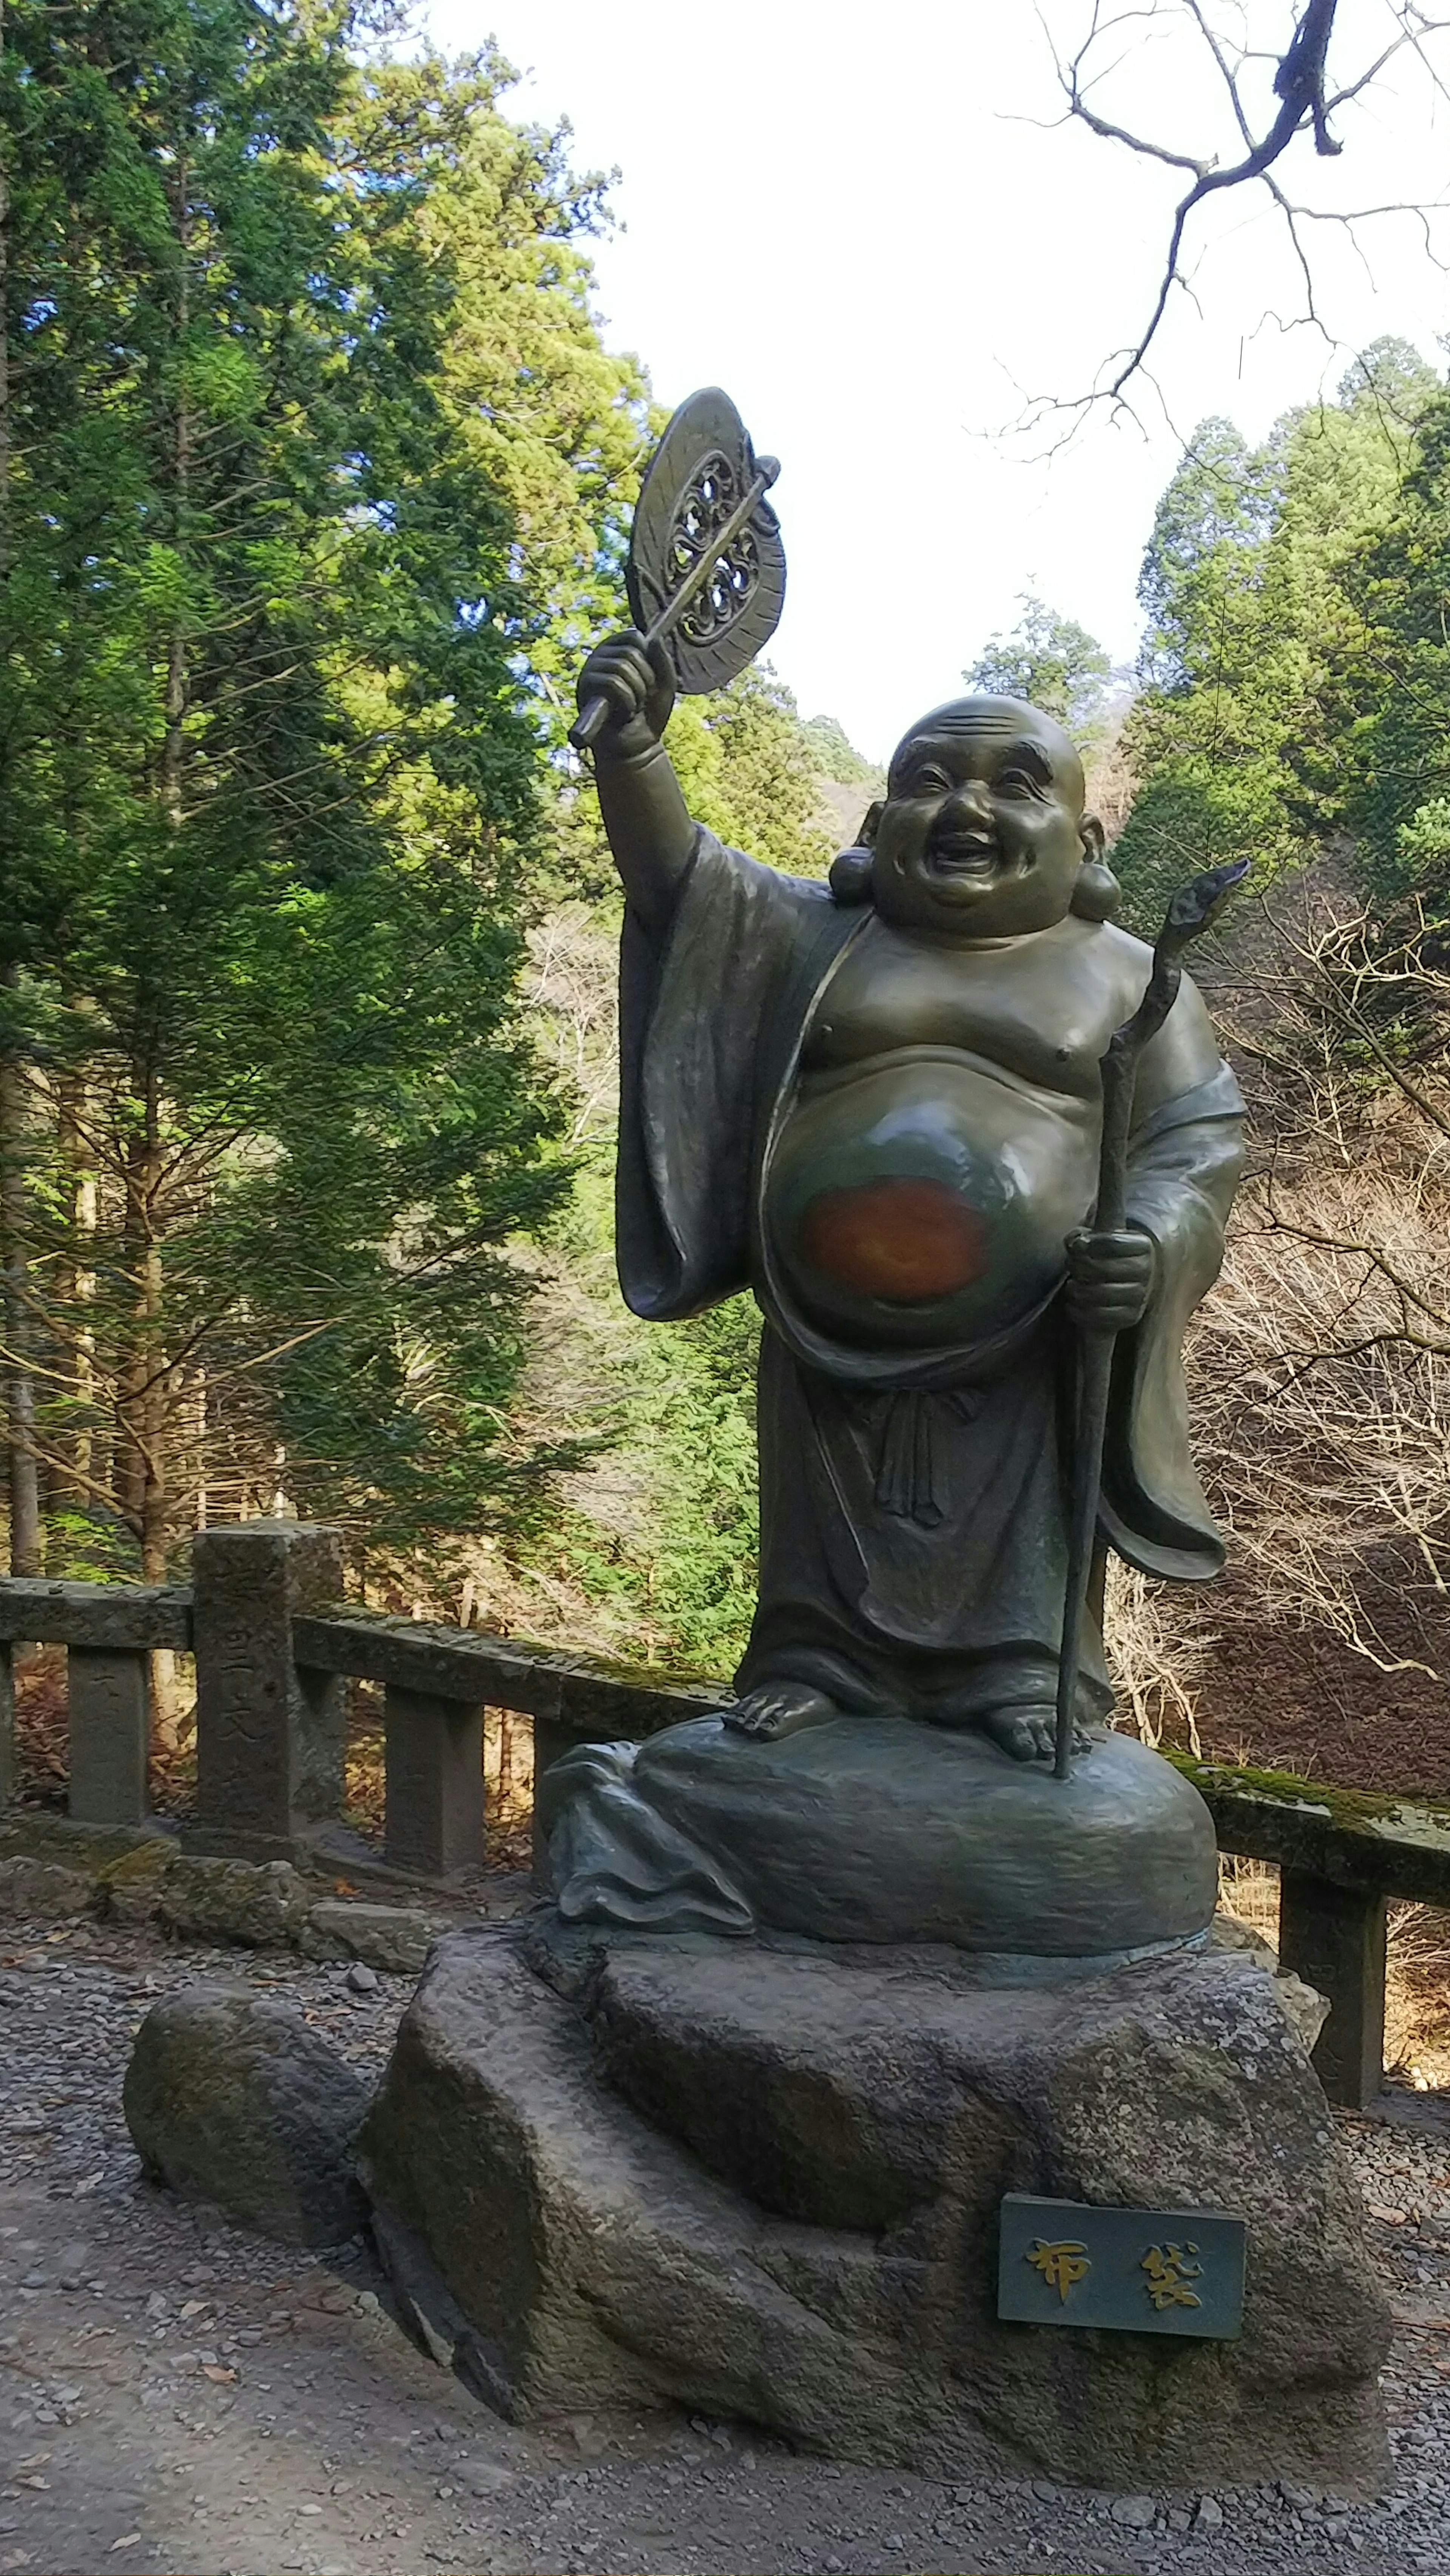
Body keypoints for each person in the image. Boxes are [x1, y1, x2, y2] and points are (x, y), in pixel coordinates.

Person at [580, 629, 1244, 1763]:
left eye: (1012, 786)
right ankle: (816, 1660)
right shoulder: (819, 938)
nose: (965, 809)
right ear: (876, 827)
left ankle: (1026, 1667)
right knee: (819, 1526)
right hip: (822, 1324)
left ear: (1083, 841)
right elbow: (680, 887)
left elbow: (1196, 1138)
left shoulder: (1131, 973)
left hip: (1029, 1332)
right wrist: (633, 749)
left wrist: (1148, 1237)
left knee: (1024, 1519)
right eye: (927, 783)